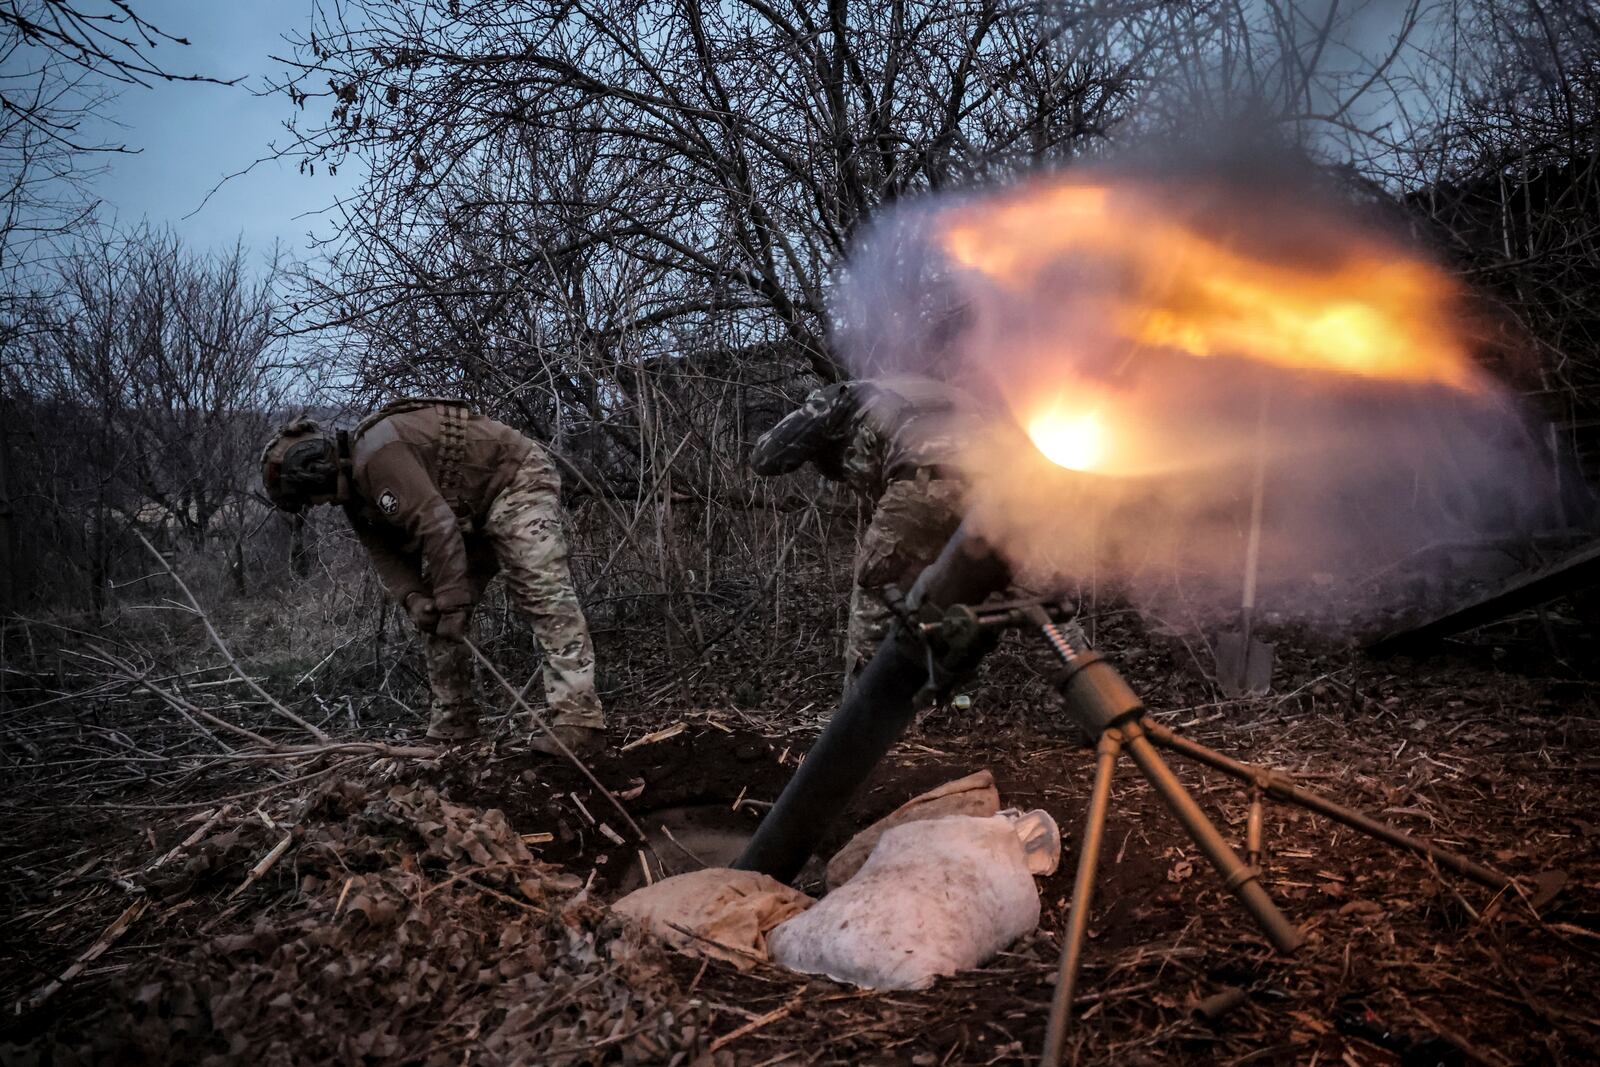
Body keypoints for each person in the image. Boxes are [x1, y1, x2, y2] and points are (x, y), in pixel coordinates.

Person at [260, 398, 605, 754]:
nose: (318, 504)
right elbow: (386, 553)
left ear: (310, 471)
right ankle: (454, 725)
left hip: (514, 479)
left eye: (309, 497)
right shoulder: (355, 494)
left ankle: (580, 722)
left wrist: (454, 603)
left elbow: (437, 527)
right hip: (466, 513)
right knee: (436, 617)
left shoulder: (378, 456)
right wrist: (415, 597)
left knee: (542, 591)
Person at [750, 376, 967, 691]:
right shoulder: (939, 391)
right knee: (1028, 603)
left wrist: (815, 423)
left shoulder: (844, 396)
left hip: (925, 484)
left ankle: (860, 728)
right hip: (1010, 485)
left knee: (877, 598)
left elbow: (766, 457)